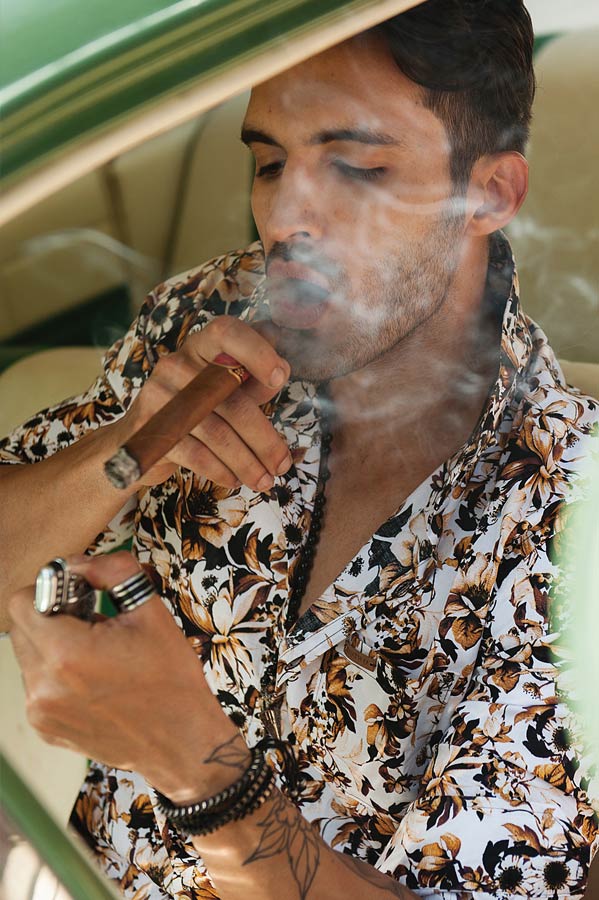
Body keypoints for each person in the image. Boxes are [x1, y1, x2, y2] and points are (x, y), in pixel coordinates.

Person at [2, 1, 598, 897]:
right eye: (268, 162)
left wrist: (195, 767)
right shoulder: (204, 317)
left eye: (356, 167)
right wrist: (123, 449)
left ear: (489, 194)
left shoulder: (569, 515)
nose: (284, 219)